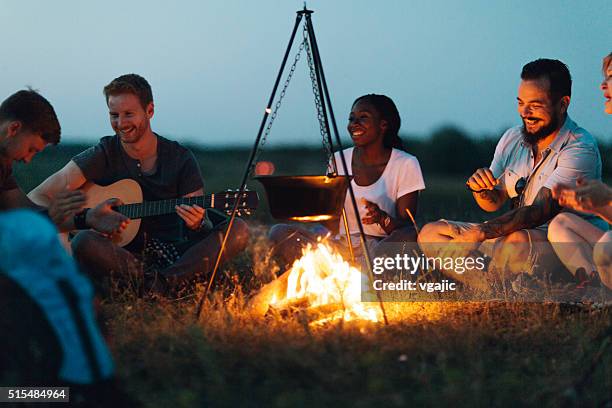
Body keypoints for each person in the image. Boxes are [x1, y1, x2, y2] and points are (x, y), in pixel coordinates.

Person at [29, 74, 249, 294]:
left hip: (174, 256)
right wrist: (75, 226)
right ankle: (164, 287)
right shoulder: (103, 153)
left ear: (150, 111)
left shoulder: (180, 158)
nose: (121, 123)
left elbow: (200, 232)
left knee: (238, 229)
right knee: (84, 241)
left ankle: (160, 285)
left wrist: (198, 224)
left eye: (128, 114)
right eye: (114, 115)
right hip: (122, 257)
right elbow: (40, 195)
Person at [417, 59, 604, 291]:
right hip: (510, 234)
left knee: (515, 243)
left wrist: (480, 233)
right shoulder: (512, 138)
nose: (525, 112)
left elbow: (538, 213)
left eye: (535, 104)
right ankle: (490, 289)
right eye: (521, 103)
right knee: (430, 233)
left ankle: (513, 285)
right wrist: (481, 189)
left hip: (558, 244)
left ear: (563, 104)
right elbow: (493, 203)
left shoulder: (579, 147)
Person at [269, 94, 425, 267]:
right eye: (352, 119)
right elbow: (331, 222)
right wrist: (311, 205)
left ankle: (358, 273)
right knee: (278, 232)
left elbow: (406, 226)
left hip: (380, 248)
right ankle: (335, 272)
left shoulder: (405, 163)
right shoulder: (338, 160)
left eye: (363, 117)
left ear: (383, 124)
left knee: (410, 235)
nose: (354, 124)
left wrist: (382, 218)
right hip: (340, 246)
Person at [547, 52, 612, 291]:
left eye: (611, 77)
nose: (602, 85)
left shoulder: (581, 143)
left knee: (607, 246)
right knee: (561, 223)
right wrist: (595, 205)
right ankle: (594, 287)